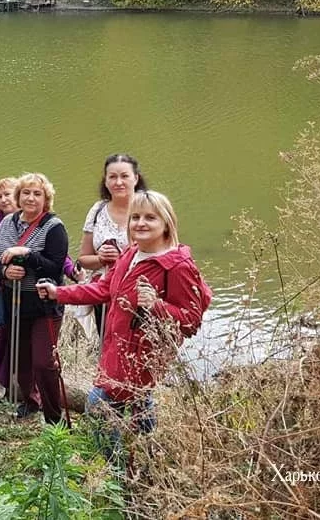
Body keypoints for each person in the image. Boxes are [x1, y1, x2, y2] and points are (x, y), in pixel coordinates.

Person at [37, 190, 211, 463]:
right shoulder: (130, 254)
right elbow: (104, 289)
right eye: (135, 217)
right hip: (116, 348)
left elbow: (191, 320)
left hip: (141, 356)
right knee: (140, 404)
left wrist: (156, 305)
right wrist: (59, 293)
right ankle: (149, 459)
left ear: (166, 223)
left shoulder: (177, 266)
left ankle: (116, 471)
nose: (140, 223)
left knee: (98, 406)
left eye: (150, 218)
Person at [0, 173, 69, 425]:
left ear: (46, 199)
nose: (31, 198)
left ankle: (54, 418)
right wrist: (5, 271)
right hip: (13, 302)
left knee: (44, 362)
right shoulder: (6, 223)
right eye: (26, 193)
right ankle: (31, 401)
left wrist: (26, 253)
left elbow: (55, 267)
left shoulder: (54, 227)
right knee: (21, 358)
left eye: (37, 194)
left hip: (44, 304)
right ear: (19, 196)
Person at [74, 154, 148, 346]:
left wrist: (123, 258)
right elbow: (83, 259)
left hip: (141, 295)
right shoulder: (97, 210)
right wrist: (100, 258)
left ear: (136, 178)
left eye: (124, 176)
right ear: (105, 181)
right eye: (112, 177)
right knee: (108, 348)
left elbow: (164, 253)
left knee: (139, 351)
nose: (118, 182)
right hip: (104, 295)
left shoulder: (149, 208)